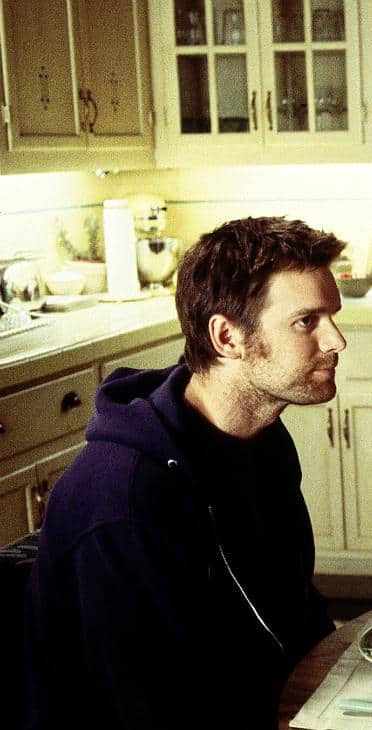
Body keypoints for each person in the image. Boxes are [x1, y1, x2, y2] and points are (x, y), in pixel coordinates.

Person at [23, 217, 347, 729]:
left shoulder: (264, 441)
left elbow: (295, 611)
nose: (336, 340)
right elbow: (150, 710)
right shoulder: (124, 499)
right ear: (227, 337)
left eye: (332, 316)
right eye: (307, 321)